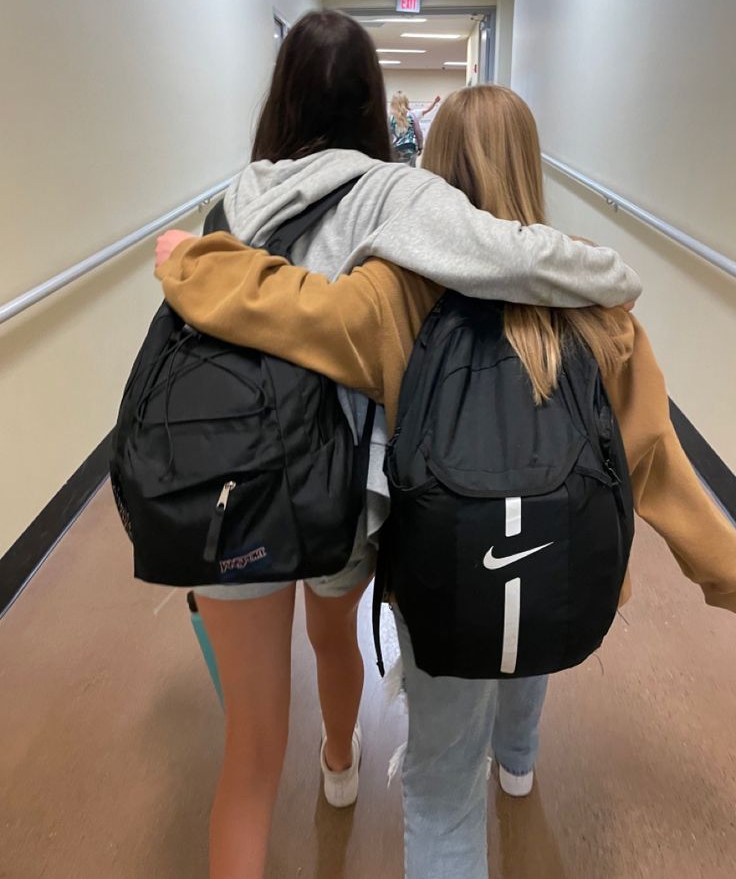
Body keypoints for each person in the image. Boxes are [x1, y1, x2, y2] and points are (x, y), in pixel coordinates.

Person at [155, 84, 736, 879]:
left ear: (429, 170)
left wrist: (192, 260)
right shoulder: (597, 306)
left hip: (446, 579)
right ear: (532, 165)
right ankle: (521, 757)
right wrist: (726, 573)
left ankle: (486, 774)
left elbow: (285, 309)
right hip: (559, 566)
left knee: (439, 794)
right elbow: (659, 466)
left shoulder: (396, 292)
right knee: (531, 622)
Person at [389, 91, 424, 164]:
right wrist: (420, 147)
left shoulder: (389, 116)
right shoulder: (411, 115)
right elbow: (418, 132)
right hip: (409, 148)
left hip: (394, 149)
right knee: (409, 172)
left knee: (395, 172)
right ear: (406, 102)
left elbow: (385, 134)